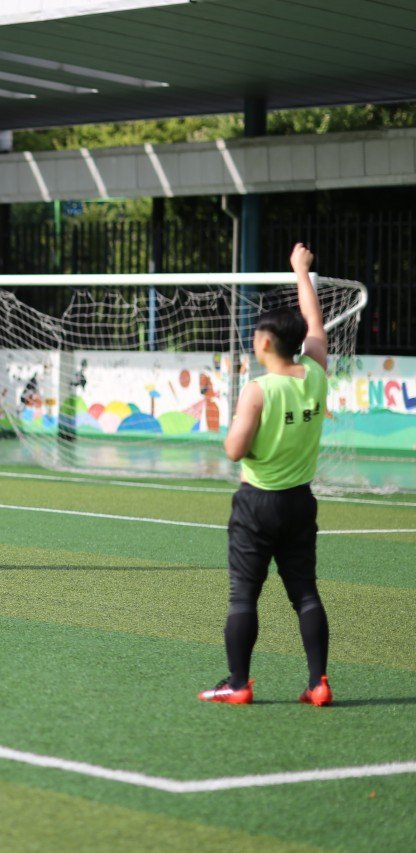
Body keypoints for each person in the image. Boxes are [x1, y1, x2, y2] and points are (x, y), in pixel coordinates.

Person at [199, 243, 333, 707]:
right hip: (300, 501)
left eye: (256, 335)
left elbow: (235, 449)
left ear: (265, 343)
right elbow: (315, 323)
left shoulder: (257, 390)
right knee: (306, 594)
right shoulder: (316, 372)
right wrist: (301, 271)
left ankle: (238, 683)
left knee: (243, 596)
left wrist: (236, 425)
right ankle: (318, 682)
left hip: (257, 503)